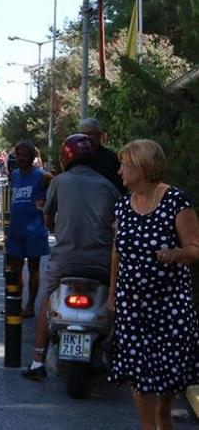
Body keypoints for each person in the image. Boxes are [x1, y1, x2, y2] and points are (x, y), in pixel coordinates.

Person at [107, 139, 198, 430]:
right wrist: (112, 292)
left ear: (143, 168)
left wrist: (178, 253)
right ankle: (149, 425)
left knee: (169, 369)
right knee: (137, 369)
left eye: (125, 165)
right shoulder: (123, 206)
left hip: (169, 304)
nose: (120, 171)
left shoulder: (176, 201)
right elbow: (117, 252)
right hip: (132, 303)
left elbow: (195, 248)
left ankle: (163, 413)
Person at [22, 134, 121, 379]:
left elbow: (48, 216)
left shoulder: (59, 181)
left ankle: (37, 361)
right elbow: (117, 225)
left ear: (66, 157)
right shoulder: (108, 186)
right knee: (115, 300)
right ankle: (114, 353)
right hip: (100, 261)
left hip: (65, 260)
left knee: (47, 299)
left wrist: (54, 226)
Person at [6, 141, 52, 318]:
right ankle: (15, 304)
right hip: (16, 230)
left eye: (25, 155)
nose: (21, 159)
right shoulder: (14, 175)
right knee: (15, 270)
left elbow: (55, 193)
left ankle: (31, 306)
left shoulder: (43, 176)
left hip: (35, 231)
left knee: (34, 269)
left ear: (32, 157)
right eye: (18, 155)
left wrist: (46, 207)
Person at [79, 118, 126, 194]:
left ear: (99, 135)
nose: (85, 137)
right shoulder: (76, 158)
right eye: (83, 134)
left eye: (89, 134)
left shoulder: (111, 158)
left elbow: (119, 188)